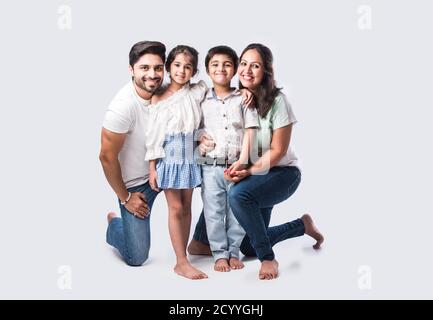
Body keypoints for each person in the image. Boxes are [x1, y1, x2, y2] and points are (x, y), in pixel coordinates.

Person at [188, 43, 324, 280]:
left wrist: (247, 170)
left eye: (256, 66)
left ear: (266, 71)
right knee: (247, 245)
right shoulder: (235, 99)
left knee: (238, 195)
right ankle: (302, 225)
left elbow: (278, 151)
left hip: (280, 174)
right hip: (246, 172)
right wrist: (201, 140)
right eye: (244, 64)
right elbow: (206, 127)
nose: (248, 70)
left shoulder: (277, 101)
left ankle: (268, 259)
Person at [145, 45, 209, 280]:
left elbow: (215, 97)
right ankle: (180, 262)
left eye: (188, 66)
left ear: (193, 71)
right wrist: (152, 168)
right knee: (175, 208)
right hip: (169, 157)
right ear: (169, 66)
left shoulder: (196, 91)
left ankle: (186, 255)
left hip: (190, 156)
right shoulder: (159, 97)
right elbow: (152, 136)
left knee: (188, 207)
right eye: (177, 65)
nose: (182, 70)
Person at [100, 41, 166, 266]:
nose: (153, 74)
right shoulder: (122, 106)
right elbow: (106, 156)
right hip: (137, 185)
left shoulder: (167, 93)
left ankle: (202, 239)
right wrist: (125, 198)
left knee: (217, 178)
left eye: (158, 68)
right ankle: (115, 226)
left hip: (166, 171)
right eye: (144, 68)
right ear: (131, 69)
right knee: (136, 257)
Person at [198, 45, 259, 272]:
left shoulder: (243, 99)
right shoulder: (202, 99)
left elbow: (251, 129)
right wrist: (199, 140)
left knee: (236, 212)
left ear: (234, 70)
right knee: (213, 212)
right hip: (210, 167)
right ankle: (219, 255)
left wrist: (243, 161)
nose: (221, 68)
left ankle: (233, 252)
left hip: (236, 165)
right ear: (207, 70)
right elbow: (194, 128)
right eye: (215, 64)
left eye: (227, 64)